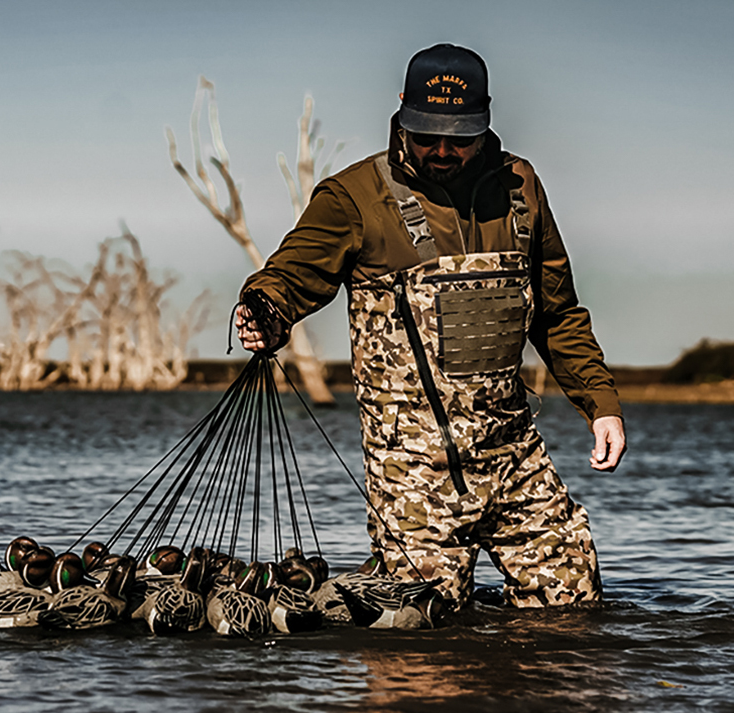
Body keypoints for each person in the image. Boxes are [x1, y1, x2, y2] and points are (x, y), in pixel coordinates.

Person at [236, 43, 625, 611]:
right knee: (423, 649)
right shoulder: (354, 197)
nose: (442, 150)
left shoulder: (520, 188)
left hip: (515, 455)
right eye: (426, 136)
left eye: (460, 138)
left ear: (485, 122)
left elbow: (558, 312)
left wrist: (602, 403)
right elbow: (293, 273)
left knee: (572, 613)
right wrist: (264, 311)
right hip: (412, 475)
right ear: (402, 114)